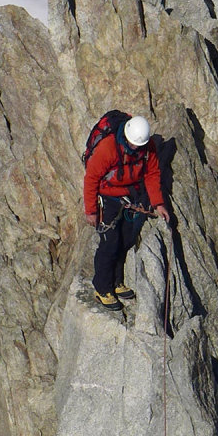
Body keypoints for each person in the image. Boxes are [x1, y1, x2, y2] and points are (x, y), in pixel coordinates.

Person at [83, 113, 170, 309]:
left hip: (130, 196)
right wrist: (91, 211)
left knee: (125, 240)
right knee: (110, 244)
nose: (134, 148)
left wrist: (158, 203)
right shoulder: (108, 148)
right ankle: (102, 288)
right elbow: (91, 178)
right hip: (107, 198)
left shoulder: (147, 148)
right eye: (132, 144)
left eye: (138, 145)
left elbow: (152, 174)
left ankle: (117, 282)